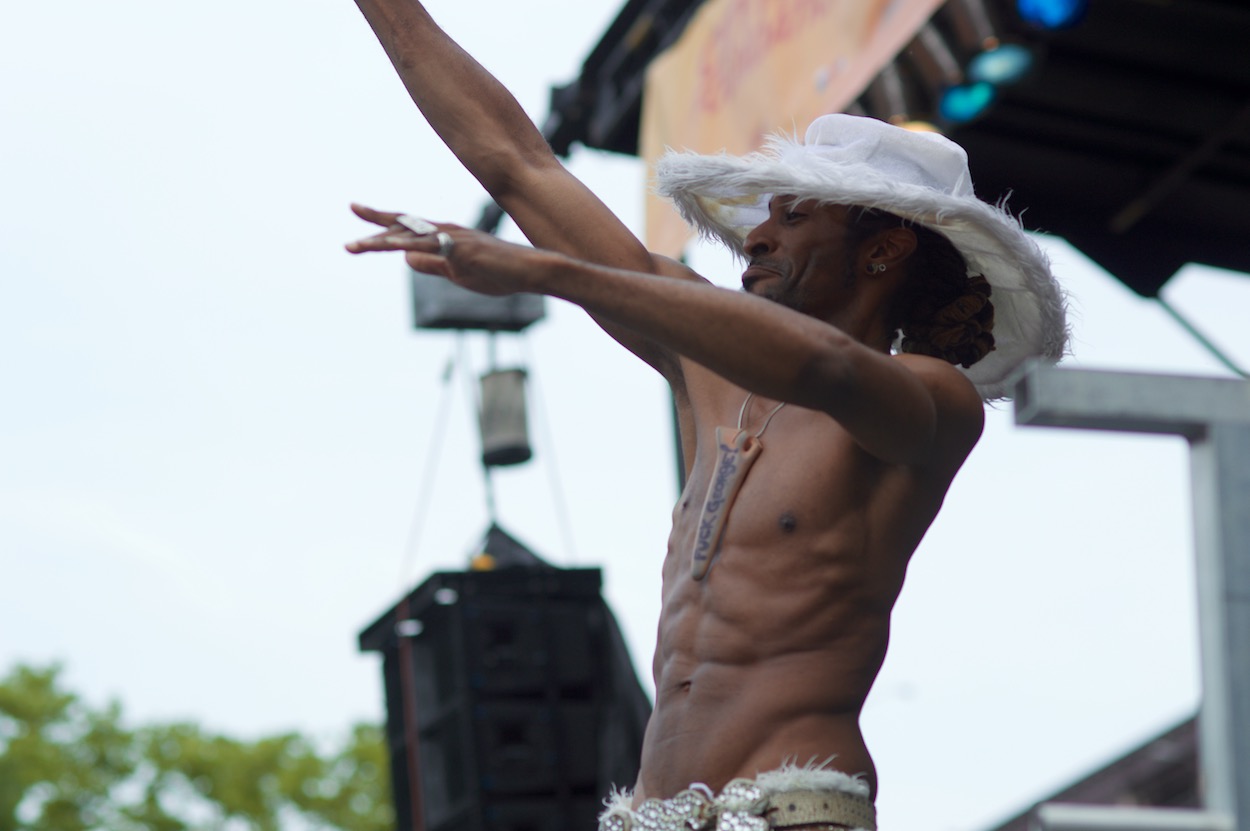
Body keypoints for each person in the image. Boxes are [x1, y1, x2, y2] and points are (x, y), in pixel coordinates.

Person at [345, 3, 1067, 829]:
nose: (756, 236)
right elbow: (519, 166)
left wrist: (549, 273)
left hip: (797, 809)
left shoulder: (935, 398)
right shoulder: (710, 369)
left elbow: (824, 365)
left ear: (884, 249)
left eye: (794, 216)